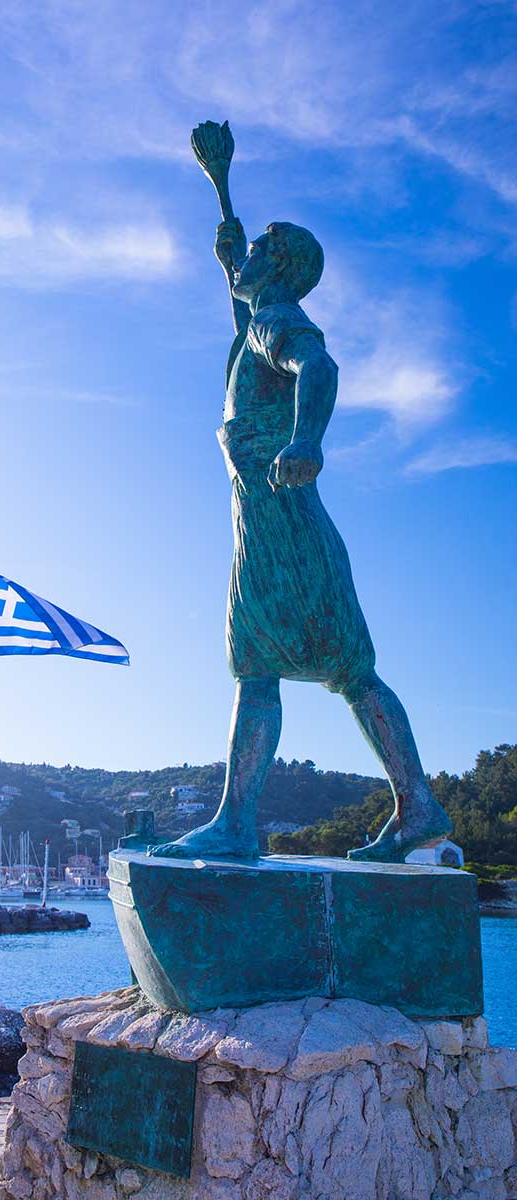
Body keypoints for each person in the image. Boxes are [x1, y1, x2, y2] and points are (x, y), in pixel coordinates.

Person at [151, 218, 451, 863]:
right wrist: (225, 209)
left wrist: (307, 439)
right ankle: (417, 806)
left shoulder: (276, 319)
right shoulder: (256, 323)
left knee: (262, 669)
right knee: (346, 672)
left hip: (279, 525)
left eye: (257, 251)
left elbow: (318, 363)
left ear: (282, 269)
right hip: (282, 525)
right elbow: (242, 299)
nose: (244, 258)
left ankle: (236, 823)